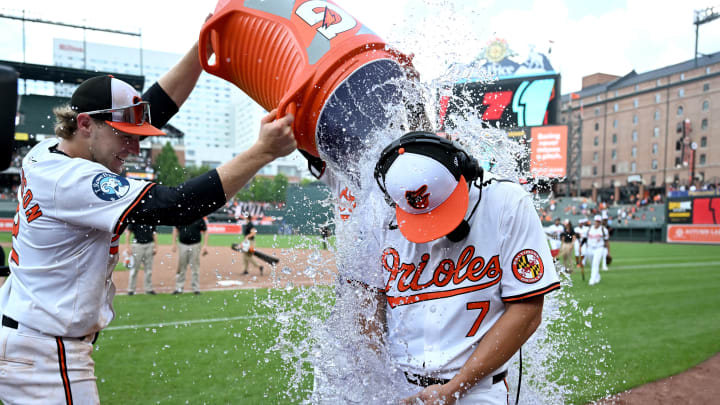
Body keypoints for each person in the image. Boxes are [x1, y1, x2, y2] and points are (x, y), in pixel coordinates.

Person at [0, 37, 296, 402]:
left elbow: (152, 109)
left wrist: (202, 51)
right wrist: (262, 152)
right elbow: (176, 206)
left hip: (28, 335)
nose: (135, 148)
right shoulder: (73, 180)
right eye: (124, 135)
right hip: (47, 354)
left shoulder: (48, 149)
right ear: (85, 125)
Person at [348, 131, 561, 404]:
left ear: (467, 173)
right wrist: (381, 380)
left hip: (479, 391)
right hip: (399, 387)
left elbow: (527, 311)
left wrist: (455, 388)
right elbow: (365, 306)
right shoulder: (378, 211)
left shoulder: (506, 201)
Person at [172, 217, 209, 294]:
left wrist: (205, 245)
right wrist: (174, 244)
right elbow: (176, 230)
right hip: (183, 245)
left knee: (195, 267)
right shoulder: (181, 217)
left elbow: (205, 231)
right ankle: (179, 288)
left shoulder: (199, 218)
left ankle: (195, 288)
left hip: (195, 245)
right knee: (182, 267)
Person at [124, 223, 158, 295]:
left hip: (149, 245)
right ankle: (131, 289)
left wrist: (156, 246)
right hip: (137, 245)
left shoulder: (151, 219)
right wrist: (127, 247)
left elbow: (154, 233)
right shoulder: (135, 219)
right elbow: (128, 233)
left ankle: (148, 289)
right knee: (134, 269)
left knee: (148, 269)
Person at [586, 215, 609, 286]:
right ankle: (597, 276)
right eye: (596, 221)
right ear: (594, 221)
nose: (597, 223)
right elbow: (586, 238)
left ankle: (592, 279)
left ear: (600, 222)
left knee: (595, 264)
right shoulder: (590, 228)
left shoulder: (603, 230)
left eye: (599, 221)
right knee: (592, 263)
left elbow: (606, 240)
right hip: (590, 248)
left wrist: (608, 251)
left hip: (599, 248)